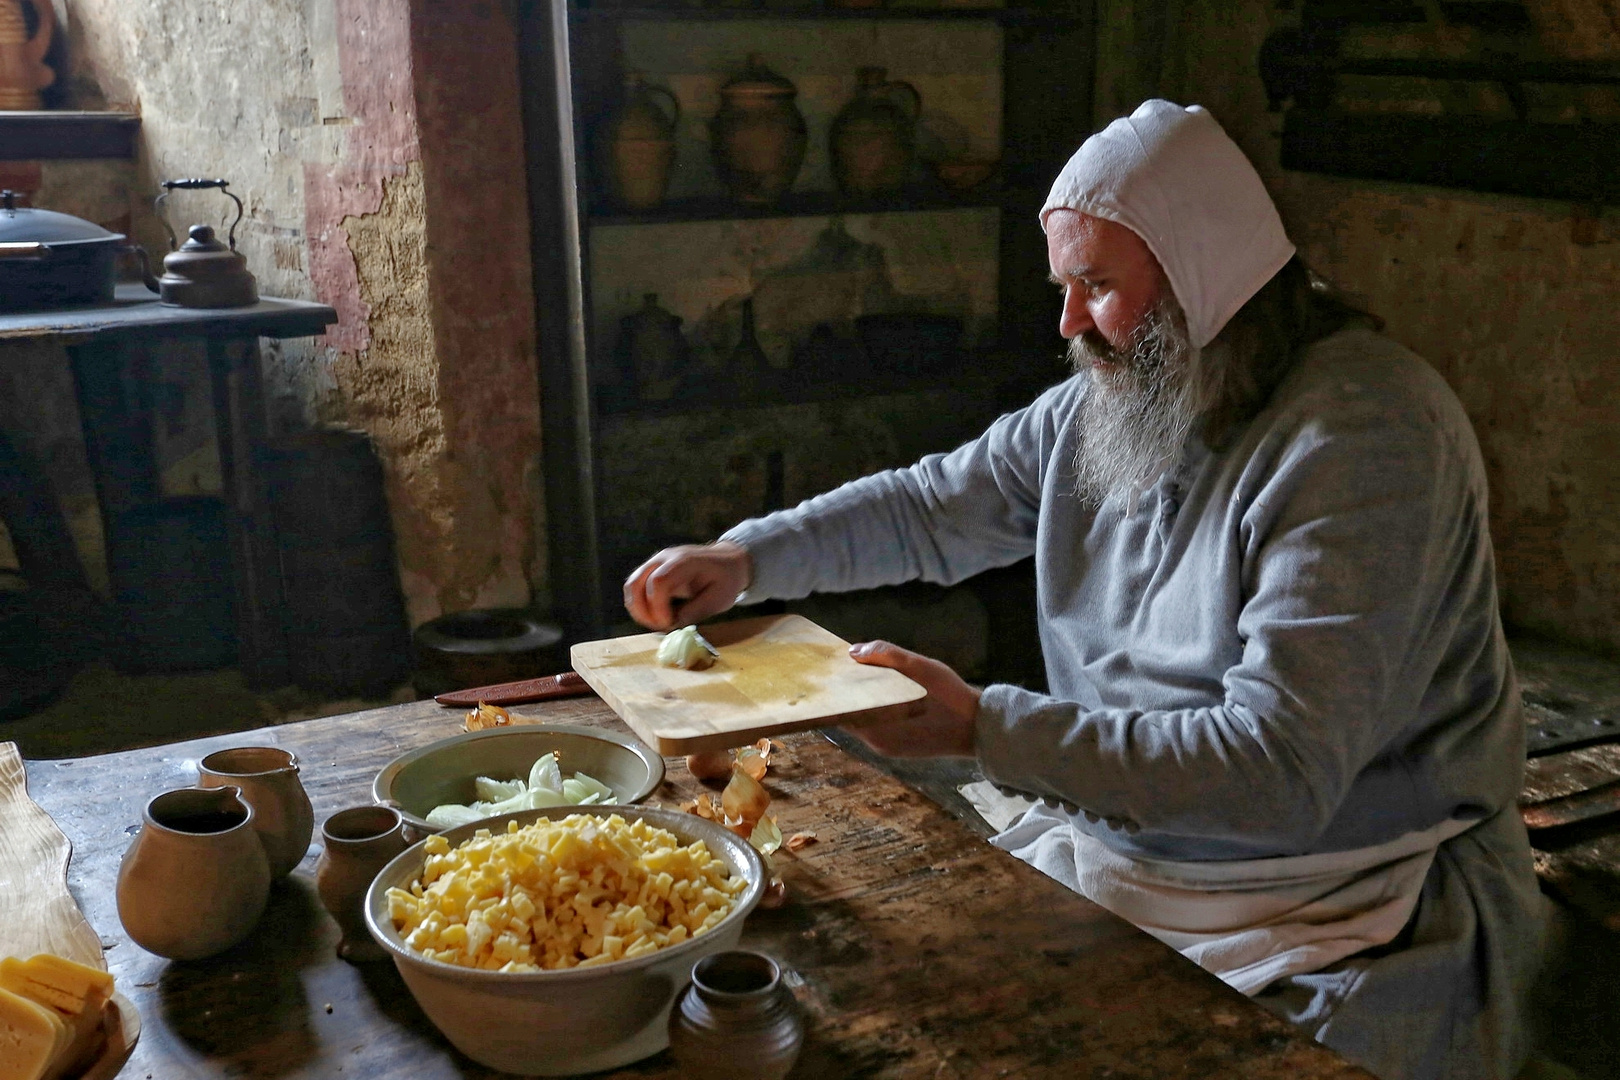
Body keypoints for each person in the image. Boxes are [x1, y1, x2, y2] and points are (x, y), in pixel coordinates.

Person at [622, 100, 1544, 1080]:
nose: (1068, 324)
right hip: (1132, 857)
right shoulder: (1111, 402)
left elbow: (1279, 771)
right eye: (1066, 286)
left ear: (1208, 275)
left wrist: (983, 729)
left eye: (1096, 286)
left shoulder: (1363, 440)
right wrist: (749, 559)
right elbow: (933, 507)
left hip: (1342, 903)